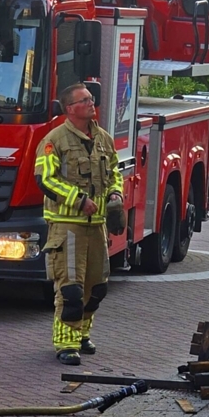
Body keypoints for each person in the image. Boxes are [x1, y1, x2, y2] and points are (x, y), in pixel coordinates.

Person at [35, 84, 124, 365]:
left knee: (97, 287)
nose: (91, 103)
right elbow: (45, 179)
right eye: (84, 100)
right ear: (69, 108)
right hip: (67, 226)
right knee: (71, 289)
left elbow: (114, 172)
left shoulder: (103, 139)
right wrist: (78, 199)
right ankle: (65, 344)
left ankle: (82, 335)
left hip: (96, 226)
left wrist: (115, 193)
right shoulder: (54, 141)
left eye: (91, 98)